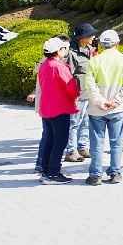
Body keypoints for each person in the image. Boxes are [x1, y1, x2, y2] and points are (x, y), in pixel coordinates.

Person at [83, 30, 123, 186]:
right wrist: (116, 100)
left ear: (101, 44)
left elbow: (89, 85)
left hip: (96, 109)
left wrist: (100, 101)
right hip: (117, 109)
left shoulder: (94, 61)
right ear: (117, 43)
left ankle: (95, 175)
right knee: (116, 142)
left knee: (96, 143)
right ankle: (115, 172)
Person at [37, 37, 79, 184]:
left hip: (47, 107)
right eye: (64, 48)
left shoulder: (44, 65)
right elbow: (71, 88)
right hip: (59, 107)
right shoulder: (59, 66)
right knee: (60, 142)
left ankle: (46, 170)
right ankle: (53, 173)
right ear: (58, 50)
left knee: (50, 140)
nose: (66, 51)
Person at [64, 23, 96, 163]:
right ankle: (71, 151)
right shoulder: (71, 53)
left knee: (86, 122)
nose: (93, 37)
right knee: (74, 122)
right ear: (82, 38)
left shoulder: (90, 50)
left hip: (89, 92)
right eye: (90, 35)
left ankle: (83, 147)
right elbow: (68, 76)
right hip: (77, 94)